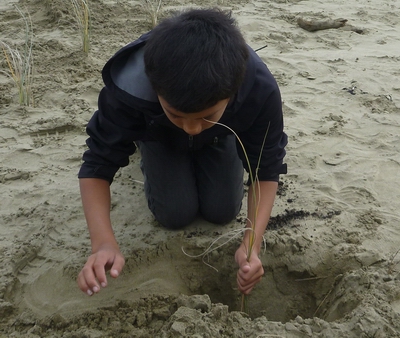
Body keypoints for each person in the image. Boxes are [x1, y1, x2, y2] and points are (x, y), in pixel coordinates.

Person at [77, 8, 287, 297]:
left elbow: (266, 168)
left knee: (222, 210)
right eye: (177, 115)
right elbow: (96, 164)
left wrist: (251, 244)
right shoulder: (133, 90)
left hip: (222, 134)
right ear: (154, 89)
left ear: (233, 93)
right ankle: (152, 139)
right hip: (158, 134)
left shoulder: (258, 89)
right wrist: (103, 244)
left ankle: (213, 130)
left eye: (206, 115)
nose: (191, 128)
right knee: (174, 212)